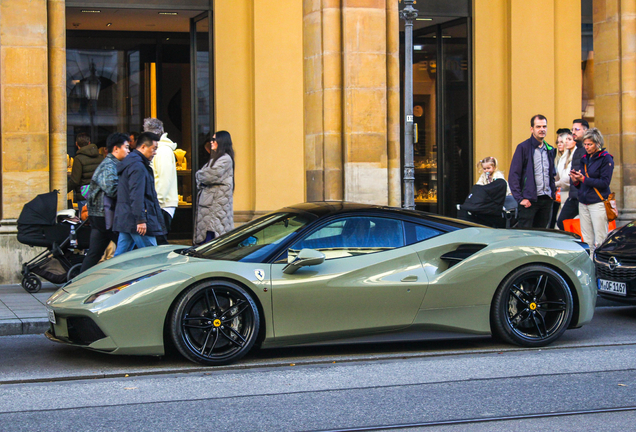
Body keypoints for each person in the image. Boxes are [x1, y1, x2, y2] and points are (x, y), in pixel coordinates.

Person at [80, 133, 130, 273]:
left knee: (95, 253)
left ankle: (77, 282)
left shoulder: (113, 164)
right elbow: (112, 189)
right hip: (104, 215)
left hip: (101, 216)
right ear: (116, 148)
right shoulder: (109, 165)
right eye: (126, 147)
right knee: (126, 245)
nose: (128, 151)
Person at [113, 132, 166, 256]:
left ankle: (110, 274)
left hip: (128, 218)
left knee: (120, 257)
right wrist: (140, 219)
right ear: (143, 147)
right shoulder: (138, 166)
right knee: (153, 257)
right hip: (136, 220)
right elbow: (137, 194)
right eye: (153, 149)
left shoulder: (132, 163)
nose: (155, 152)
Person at [570, 128, 614, 253]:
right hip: (584, 202)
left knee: (600, 239)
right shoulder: (585, 158)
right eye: (585, 144)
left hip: (598, 202)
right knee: (587, 241)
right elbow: (583, 184)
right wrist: (576, 181)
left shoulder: (606, 159)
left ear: (598, 143)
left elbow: (604, 183)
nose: (587, 147)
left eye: (590, 144)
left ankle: (602, 269)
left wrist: (583, 179)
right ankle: (590, 268)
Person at [508, 114, 556, 228]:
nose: (542, 129)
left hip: (546, 199)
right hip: (529, 201)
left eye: (544, 126)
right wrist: (520, 199)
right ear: (532, 129)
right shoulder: (523, 148)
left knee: (542, 235)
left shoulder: (550, 149)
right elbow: (514, 175)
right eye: (538, 127)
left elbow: (551, 174)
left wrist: (552, 194)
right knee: (526, 236)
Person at [195, 131, 235, 245]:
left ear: (222, 142)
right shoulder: (216, 159)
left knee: (212, 238)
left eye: (214, 140)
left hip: (215, 206)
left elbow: (209, 176)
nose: (211, 142)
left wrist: (198, 174)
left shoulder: (225, 159)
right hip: (211, 204)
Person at [143, 118, 178, 245]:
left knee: (158, 243)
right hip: (160, 203)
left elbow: (164, 179)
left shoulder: (163, 151)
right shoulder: (161, 150)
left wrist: (156, 203)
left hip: (162, 204)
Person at [557, 119, 589, 230]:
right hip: (574, 195)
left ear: (585, 131)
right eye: (572, 129)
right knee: (562, 222)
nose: (574, 132)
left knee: (587, 226)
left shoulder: (587, 149)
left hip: (584, 196)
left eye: (577, 129)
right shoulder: (577, 151)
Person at [68, 132, 103, 212]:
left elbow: (75, 181)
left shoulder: (78, 159)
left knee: (85, 220)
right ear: (89, 143)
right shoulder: (100, 157)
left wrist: (64, 190)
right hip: (98, 194)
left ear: (76, 144)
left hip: (84, 195)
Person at [554, 130, 576, 223]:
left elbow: (569, 178)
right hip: (562, 195)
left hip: (571, 195)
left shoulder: (575, 156)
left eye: (569, 139)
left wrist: (555, 184)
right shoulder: (563, 158)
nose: (566, 142)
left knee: (565, 223)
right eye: (558, 142)